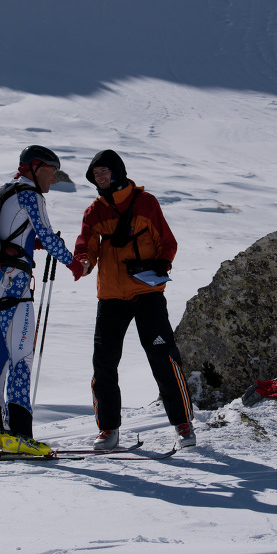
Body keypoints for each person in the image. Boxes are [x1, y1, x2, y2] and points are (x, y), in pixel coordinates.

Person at [72, 149, 195, 450]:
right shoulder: (94, 211)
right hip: (111, 296)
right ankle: (108, 430)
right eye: (95, 175)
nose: (99, 178)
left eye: (104, 172)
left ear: (117, 171)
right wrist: (83, 263)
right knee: (104, 364)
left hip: (147, 294)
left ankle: (183, 424)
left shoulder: (146, 202)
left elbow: (168, 241)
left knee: (163, 359)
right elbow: (85, 248)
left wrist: (161, 265)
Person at [0, 145, 85, 455]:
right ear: (35, 167)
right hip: (14, 283)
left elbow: (12, 232)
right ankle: (20, 434)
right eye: (51, 171)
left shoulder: (4, 191)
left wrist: (28, 242)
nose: (54, 178)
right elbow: (50, 237)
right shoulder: (29, 193)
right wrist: (75, 264)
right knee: (21, 355)